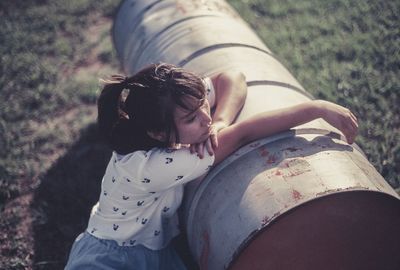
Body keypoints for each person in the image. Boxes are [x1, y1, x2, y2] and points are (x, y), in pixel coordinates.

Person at [65, 63, 358, 270]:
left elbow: (230, 76)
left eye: (204, 104)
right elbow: (244, 133)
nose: (205, 117)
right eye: (192, 118)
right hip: (111, 256)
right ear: (157, 133)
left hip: (155, 251)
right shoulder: (153, 166)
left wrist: (220, 120)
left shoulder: (179, 102)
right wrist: (315, 108)